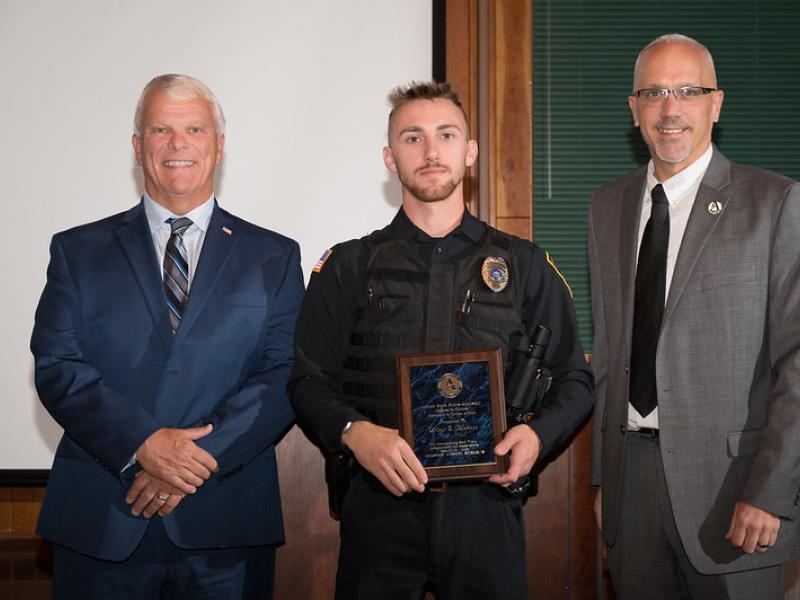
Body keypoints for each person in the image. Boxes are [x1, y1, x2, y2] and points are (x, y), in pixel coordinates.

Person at [289, 81, 593, 599]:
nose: (431, 152)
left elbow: (576, 379)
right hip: (379, 506)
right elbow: (306, 380)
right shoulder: (347, 266)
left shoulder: (525, 266)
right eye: (412, 138)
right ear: (390, 157)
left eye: (446, 135)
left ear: (469, 152)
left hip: (487, 509)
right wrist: (355, 433)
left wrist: (537, 436)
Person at [30, 74, 303, 598]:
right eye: (161, 129)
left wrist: (188, 462)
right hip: (102, 518)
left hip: (225, 521)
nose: (178, 144)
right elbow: (58, 365)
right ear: (138, 147)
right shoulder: (77, 250)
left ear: (218, 146)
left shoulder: (274, 255)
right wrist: (143, 445)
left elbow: (284, 370)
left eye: (194, 129)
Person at [589, 34, 800, 599]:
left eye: (688, 90)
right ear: (634, 109)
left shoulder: (775, 203)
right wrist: (605, 476)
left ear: (717, 103)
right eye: (653, 92)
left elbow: (797, 364)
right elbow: (609, 352)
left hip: (737, 494)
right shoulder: (605, 207)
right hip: (631, 490)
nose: (670, 108)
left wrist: (771, 492)